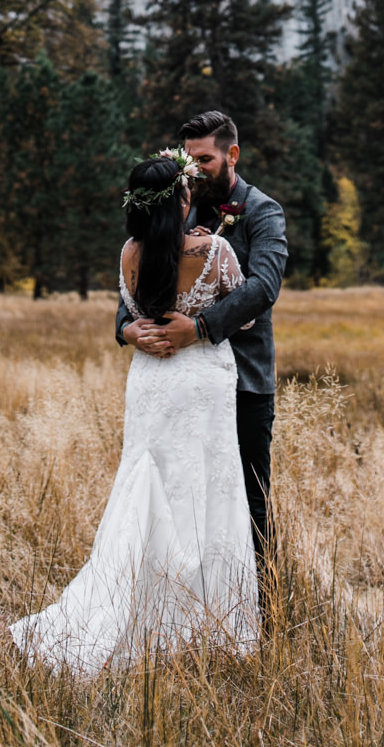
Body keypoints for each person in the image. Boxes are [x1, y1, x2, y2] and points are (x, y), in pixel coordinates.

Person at [9, 146, 260, 673]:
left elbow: (131, 309)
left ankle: (134, 608)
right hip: (199, 378)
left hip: (150, 381)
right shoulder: (214, 251)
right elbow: (248, 319)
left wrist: (136, 327)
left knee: (147, 482)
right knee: (207, 489)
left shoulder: (129, 251)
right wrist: (204, 318)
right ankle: (204, 623)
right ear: (183, 197)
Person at [117, 109, 288, 575]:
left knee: (247, 499)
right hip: (180, 385)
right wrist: (126, 328)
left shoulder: (262, 211)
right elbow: (138, 277)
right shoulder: (176, 205)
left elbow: (263, 287)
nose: (194, 169)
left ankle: (258, 611)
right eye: (188, 159)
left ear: (232, 154)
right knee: (179, 495)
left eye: (205, 159)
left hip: (245, 381)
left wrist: (200, 328)